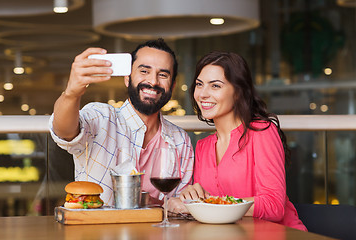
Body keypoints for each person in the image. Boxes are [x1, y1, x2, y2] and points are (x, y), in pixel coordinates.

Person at [48, 38, 194, 207]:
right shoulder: (101, 117)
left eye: (163, 75)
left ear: (173, 86)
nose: (153, 81)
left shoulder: (180, 140)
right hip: (98, 231)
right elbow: (63, 131)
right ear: (127, 78)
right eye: (144, 71)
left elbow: (180, 205)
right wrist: (72, 93)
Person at [174, 51, 307, 231]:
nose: (203, 94)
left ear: (238, 92)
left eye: (215, 86)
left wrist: (213, 203)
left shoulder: (262, 131)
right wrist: (190, 199)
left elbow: (274, 206)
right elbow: (208, 211)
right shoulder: (203, 147)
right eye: (199, 84)